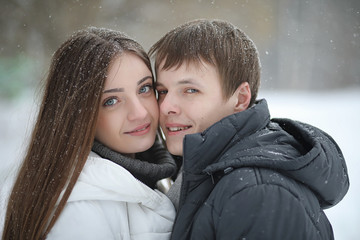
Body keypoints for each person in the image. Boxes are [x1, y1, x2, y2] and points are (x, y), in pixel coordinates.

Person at [148, 19, 349, 240]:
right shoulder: (199, 171)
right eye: (163, 91)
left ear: (240, 98)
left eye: (190, 90)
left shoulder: (258, 193)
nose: (166, 107)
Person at [1, 27, 177, 240]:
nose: (140, 113)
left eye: (144, 88)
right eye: (111, 101)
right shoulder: (80, 212)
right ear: (78, 115)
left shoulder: (155, 174)